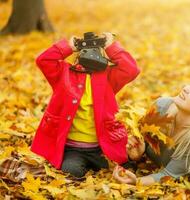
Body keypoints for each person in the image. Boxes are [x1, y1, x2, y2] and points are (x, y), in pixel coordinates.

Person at [30, 32, 140, 177]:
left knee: (127, 169)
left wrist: (110, 46)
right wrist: (68, 47)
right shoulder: (64, 74)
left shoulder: (107, 77)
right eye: (85, 50)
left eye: (95, 50)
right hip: (73, 150)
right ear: (77, 54)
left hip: (103, 148)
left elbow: (131, 69)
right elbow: (44, 61)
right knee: (71, 171)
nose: (90, 55)